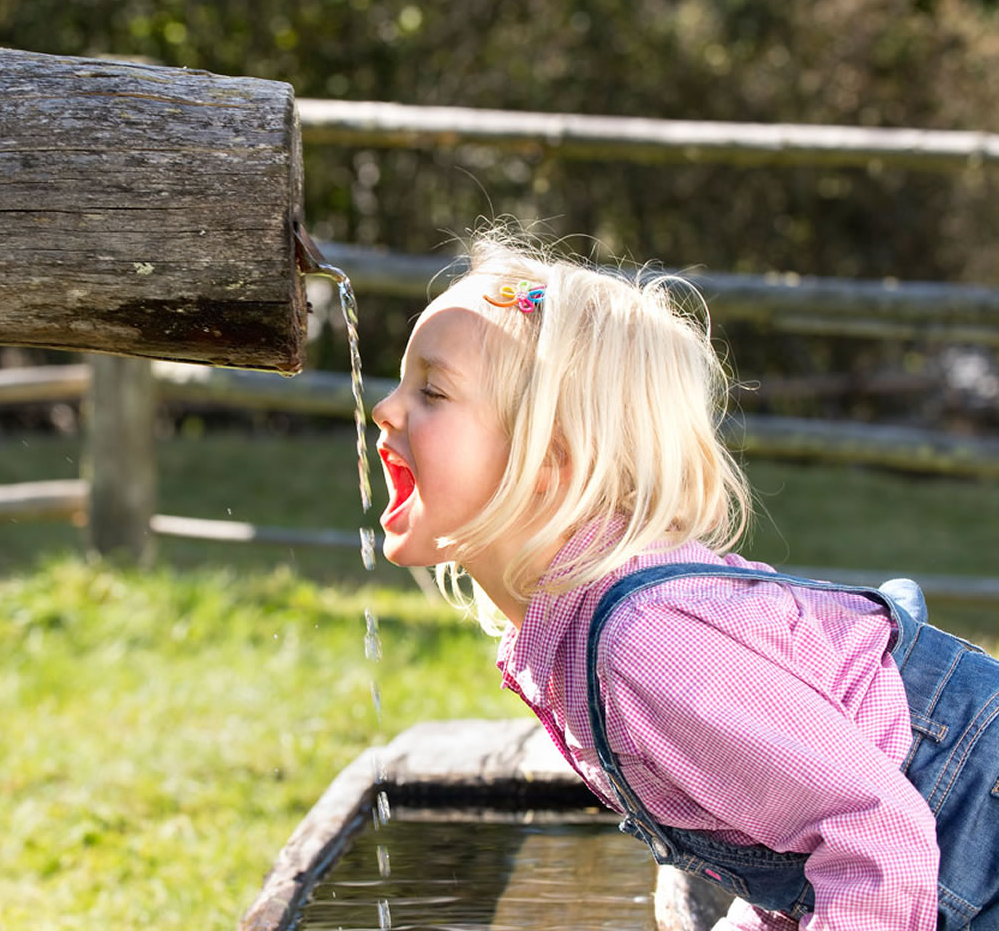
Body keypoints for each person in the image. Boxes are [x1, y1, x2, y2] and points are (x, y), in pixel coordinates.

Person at [369, 227, 999, 931]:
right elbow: (783, 832)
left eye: (432, 391)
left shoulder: (642, 649)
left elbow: (877, 835)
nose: (385, 408)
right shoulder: (588, 633)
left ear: (549, 457)